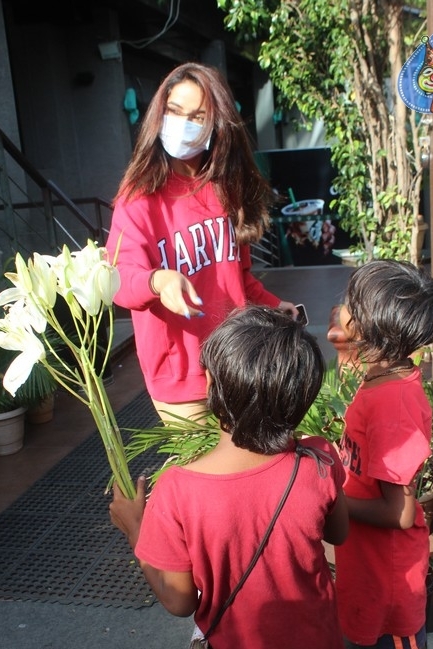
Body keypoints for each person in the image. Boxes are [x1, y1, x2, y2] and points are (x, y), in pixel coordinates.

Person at [109, 305, 365, 649]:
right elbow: (339, 533)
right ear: (301, 395)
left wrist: (135, 528)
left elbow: (179, 600)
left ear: (212, 388)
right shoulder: (319, 460)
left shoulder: (178, 491)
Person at [105, 62, 297, 421]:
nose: (182, 123)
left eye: (197, 116)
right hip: (180, 377)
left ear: (216, 124)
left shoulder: (226, 188)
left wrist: (274, 305)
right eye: (174, 111)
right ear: (159, 115)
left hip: (237, 364)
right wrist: (159, 280)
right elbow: (120, 279)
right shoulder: (140, 198)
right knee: (202, 474)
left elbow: (237, 280)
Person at [334, 259, 433, 649]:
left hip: (391, 571)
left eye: (352, 306)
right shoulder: (383, 378)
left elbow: (400, 511)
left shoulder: (394, 403)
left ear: (374, 328)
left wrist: (332, 500)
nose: (344, 313)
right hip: (374, 562)